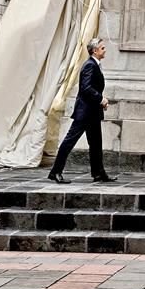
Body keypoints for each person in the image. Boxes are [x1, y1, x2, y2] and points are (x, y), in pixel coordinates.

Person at [47, 38, 116, 184]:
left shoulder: (95, 65)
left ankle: (98, 173)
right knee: (69, 141)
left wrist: (99, 102)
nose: (105, 50)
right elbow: (85, 88)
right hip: (85, 113)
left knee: (96, 144)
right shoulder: (90, 65)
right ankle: (56, 172)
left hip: (92, 112)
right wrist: (101, 99)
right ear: (95, 51)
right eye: (102, 48)